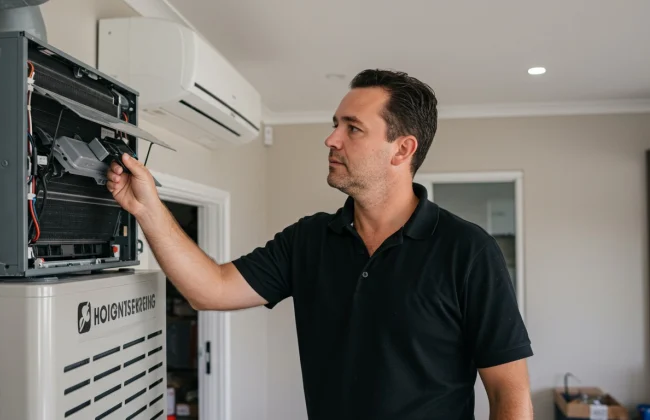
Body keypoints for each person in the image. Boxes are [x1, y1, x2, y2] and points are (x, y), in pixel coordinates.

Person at [106, 69, 534, 420]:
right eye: (335, 125)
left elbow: (509, 396)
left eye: (353, 128)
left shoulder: (468, 250)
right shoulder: (309, 240)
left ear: (402, 149)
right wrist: (146, 209)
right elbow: (210, 288)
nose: (332, 139)